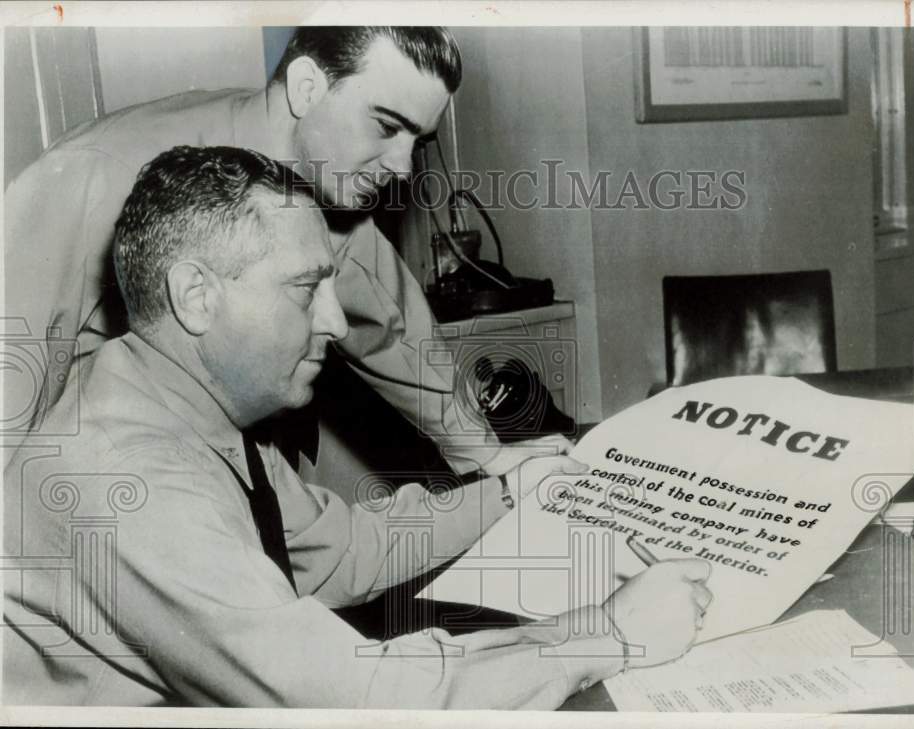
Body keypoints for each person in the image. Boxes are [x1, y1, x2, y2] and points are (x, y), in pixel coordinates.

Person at [2, 146, 713, 708]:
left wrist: (508, 491)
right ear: (196, 295)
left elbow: (338, 553)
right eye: (305, 287)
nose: (336, 323)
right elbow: (353, 697)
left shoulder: (180, 406)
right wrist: (605, 633)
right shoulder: (132, 480)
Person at [2, 26, 546, 478]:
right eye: (385, 126)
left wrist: (486, 454)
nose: (403, 168)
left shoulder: (327, 190)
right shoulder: (94, 175)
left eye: (417, 142)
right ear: (307, 86)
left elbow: (391, 328)